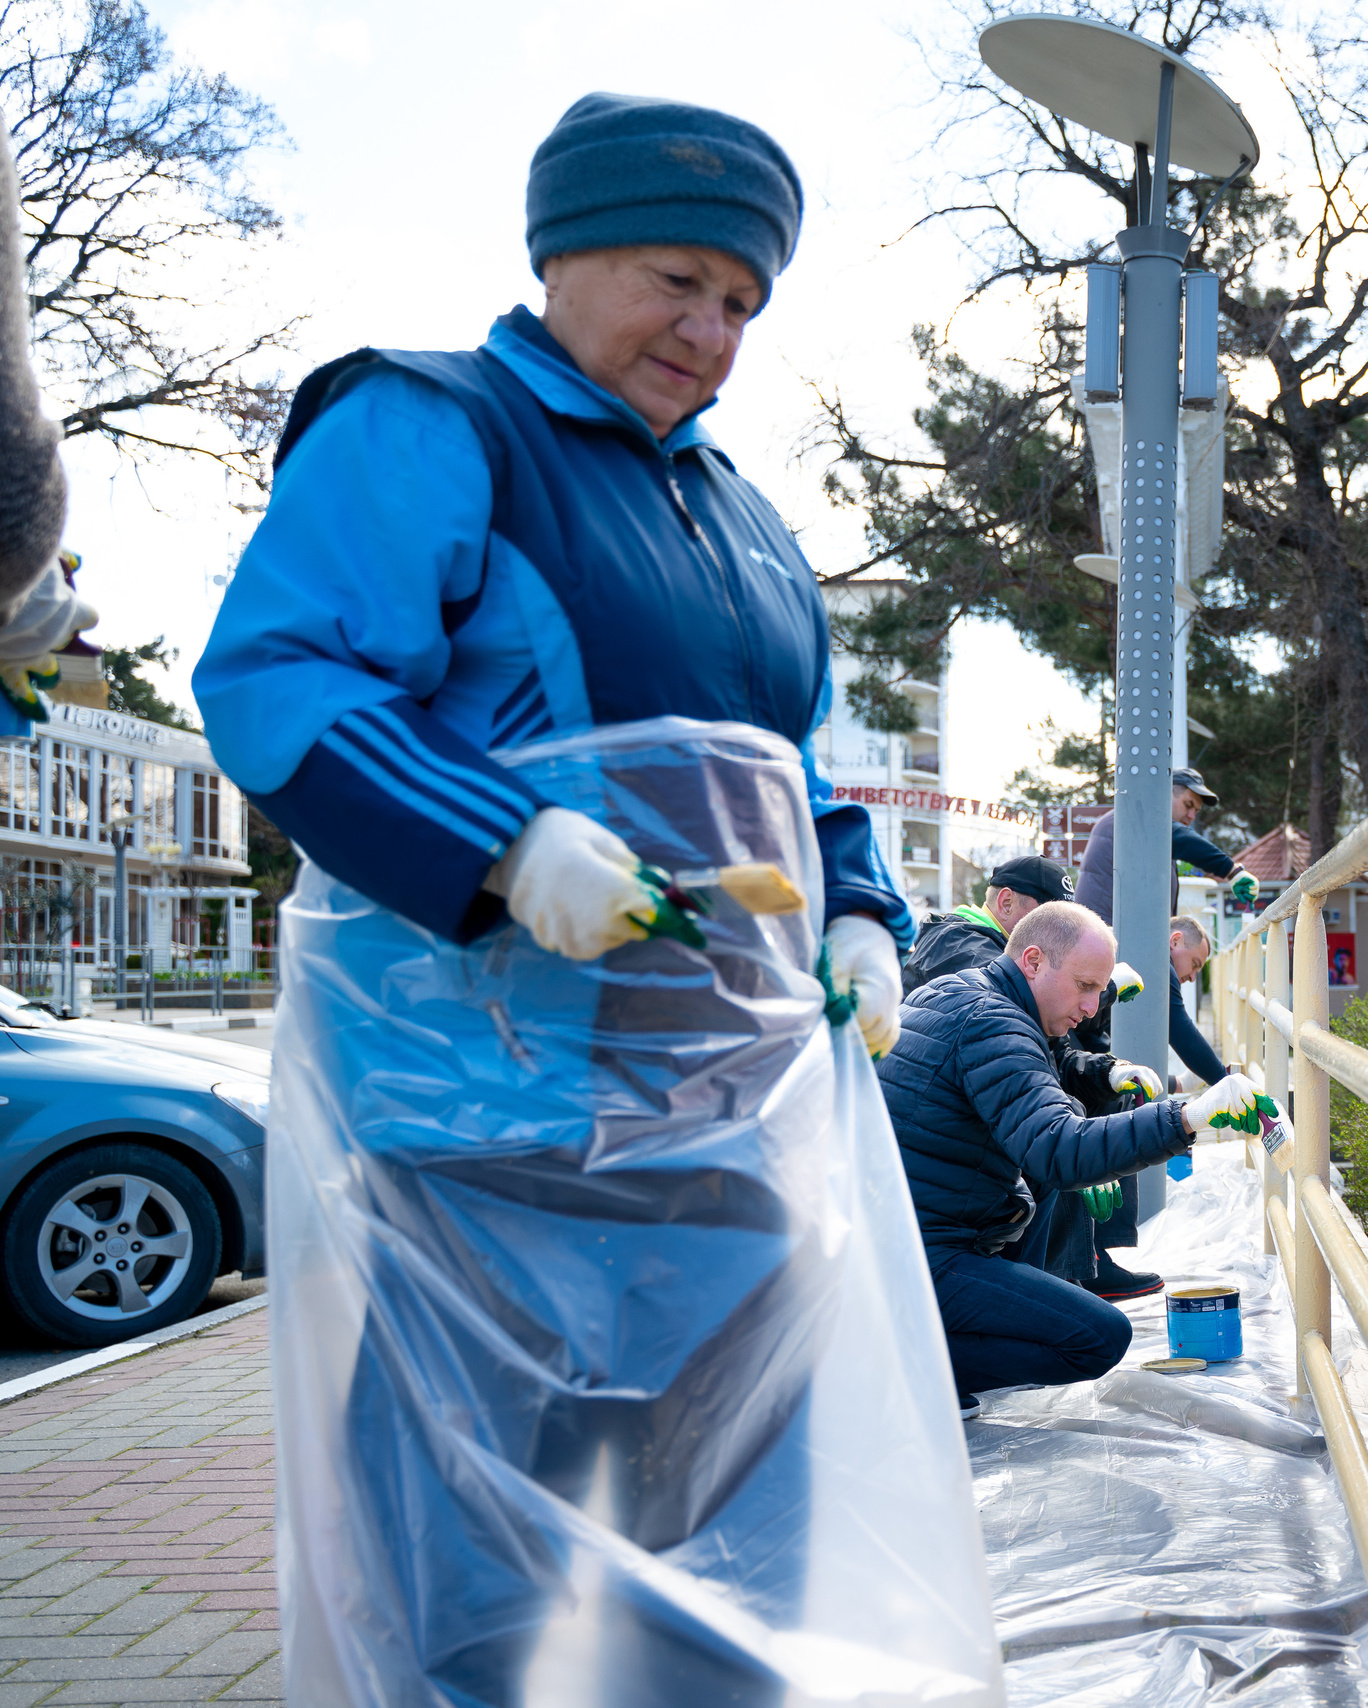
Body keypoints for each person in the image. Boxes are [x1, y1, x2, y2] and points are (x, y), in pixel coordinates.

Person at [192, 95, 959, 1707]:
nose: (714, 330)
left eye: (746, 301)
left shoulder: (744, 525)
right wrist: (500, 845)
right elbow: (280, 677)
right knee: (483, 1583)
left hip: (726, 1136)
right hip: (491, 1125)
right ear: (564, 254)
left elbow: (798, 769)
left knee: (736, 1568)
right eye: (678, 279)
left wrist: (865, 910)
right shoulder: (430, 425)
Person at [879, 900, 1266, 1415]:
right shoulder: (993, 1023)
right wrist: (1186, 1117)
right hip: (918, 1254)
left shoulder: (958, 992)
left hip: (892, 1230)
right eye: (1086, 987)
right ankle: (902, 1365)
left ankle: (920, 1340)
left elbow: (1035, 1083)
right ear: (1033, 961)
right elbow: (1060, 1149)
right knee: (1098, 1336)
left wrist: (1102, 1074)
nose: (1091, 1008)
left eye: (1099, 991)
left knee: (1041, 1186)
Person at [1066, 914, 1228, 1300]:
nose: (1192, 976)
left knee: (1120, 1091)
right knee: (1113, 1103)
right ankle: (1090, 1259)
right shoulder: (1156, 958)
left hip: (1071, 1064)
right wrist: (1224, 1082)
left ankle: (1094, 1253)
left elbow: (1077, 1040)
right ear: (1175, 941)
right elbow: (1180, 1030)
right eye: (1196, 964)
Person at [1072, 765, 1259, 920]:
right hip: (1103, 939)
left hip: (1106, 937)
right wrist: (1231, 871)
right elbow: (1187, 841)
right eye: (1188, 805)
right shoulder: (1135, 818)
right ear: (1165, 793)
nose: (1192, 816)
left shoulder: (1144, 830)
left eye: (1197, 811)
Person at [903, 852, 1073, 993]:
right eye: (1051, 915)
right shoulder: (969, 953)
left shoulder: (968, 943)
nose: (1060, 931)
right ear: (1007, 903)